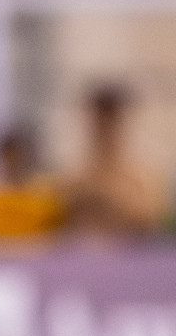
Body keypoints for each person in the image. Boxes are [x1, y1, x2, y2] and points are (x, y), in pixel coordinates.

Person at [60, 84, 163, 240]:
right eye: (100, 115)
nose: (105, 123)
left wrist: (102, 195)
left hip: (128, 254)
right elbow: (62, 212)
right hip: (82, 254)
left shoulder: (139, 169)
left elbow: (148, 216)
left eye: (110, 115)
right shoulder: (74, 168)